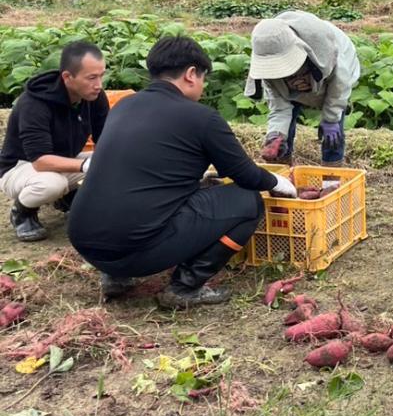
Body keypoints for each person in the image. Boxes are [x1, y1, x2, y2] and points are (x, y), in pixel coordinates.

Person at [69, 35, 297, 309]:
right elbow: (246, 176)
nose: (202, 86)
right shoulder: (202, 118)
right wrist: (277, 181)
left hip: (85, 242)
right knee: (247, 200)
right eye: (203, 78)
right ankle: (185, 287)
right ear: (191, 74)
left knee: (152, 196)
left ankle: (115, 277)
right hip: (137, 251)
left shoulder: (124, 106)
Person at [0, 40, 108, 242]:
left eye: (101, 75)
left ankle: (68, 198)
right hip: (21, 167)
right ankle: (22, 212)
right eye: (91, 78)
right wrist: (86, 165)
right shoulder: (34, 104)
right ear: (68, 77)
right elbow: (40, 161)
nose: (98, 85)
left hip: (65, 160)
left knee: (114, 161)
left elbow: (105, 139)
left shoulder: (94, 97)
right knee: (52, 184)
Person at [246, 11, 360, 166]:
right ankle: (283, 178)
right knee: (282, 137)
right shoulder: (268, 65)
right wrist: (275, 135)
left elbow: (339, 88)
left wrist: (331, 119)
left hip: (333, 79)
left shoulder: (328, 52)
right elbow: (279, 108)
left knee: (332, 135)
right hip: (307, 79)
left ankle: (331, 178)